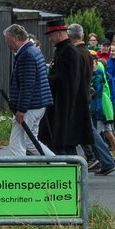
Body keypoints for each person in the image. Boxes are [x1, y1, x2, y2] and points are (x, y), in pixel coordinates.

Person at [39, 19, 93, 158]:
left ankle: (71, 173)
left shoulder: (69, 52)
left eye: (51, 35)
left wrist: (44, 78)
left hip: (66, 106)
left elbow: (66, 81)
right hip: (64, 106)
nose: (50, 39)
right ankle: (74, 172)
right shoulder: (64, 50)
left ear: (59, 33)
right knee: (64, 144)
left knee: (63, 144)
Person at [67, 23, 115, 174]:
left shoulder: (76, 53)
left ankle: (103, 160)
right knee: (87, 130)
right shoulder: (87, 53)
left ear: (70, 37)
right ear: (81, 36)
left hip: (78, 97)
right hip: (84, 95)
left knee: (89, 131)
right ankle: (101, 160)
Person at [3, 23, 53, 156]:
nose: (7, 45)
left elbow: (27, 84)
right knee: (31, 141)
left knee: (16, 142)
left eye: (9, 41)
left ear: (17, 38)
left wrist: (21, 109)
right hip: (38, 104)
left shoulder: (26, 55)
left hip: (30, 107)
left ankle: (20, 174)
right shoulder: (33, 51)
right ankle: (60, 165)